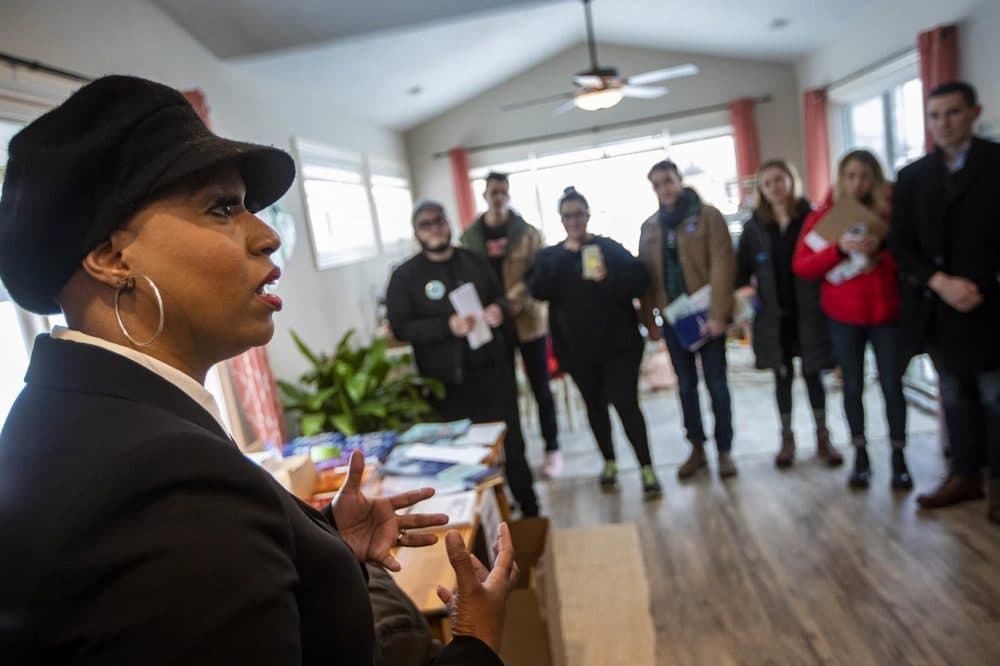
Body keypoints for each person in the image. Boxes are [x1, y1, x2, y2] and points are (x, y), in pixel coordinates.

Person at [0, 76, 515, 664]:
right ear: (112, 257)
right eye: (222, 207)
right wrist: (476, 639)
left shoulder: (92, 416)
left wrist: (320, 546)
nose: (268, 235)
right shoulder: (155, 484)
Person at [889, 81, 1000, 523]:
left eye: (952, 113)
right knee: (954, 396)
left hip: (991, 303)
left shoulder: (996, 163)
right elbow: (901, 242)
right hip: (938, 304)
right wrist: (938, 281)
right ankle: (965, 475)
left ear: (974, 112)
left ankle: (998, 482)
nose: (943, 123)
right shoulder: (913, 176)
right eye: (935, 116)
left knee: (995, 397)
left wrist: (981, 287)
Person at [387, 200, 539, 517]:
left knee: (511, 442)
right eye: (426, 224)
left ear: (449, 224)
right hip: (448, 383)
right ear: (416, 231)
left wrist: (498, 309)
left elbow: (501, 296)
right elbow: (400, 327)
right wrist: (446, 326)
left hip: (494, 370)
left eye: (439, 221)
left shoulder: (474, 260)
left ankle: (529, 508)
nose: (435, 228)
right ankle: (480, 519)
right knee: (465, 454)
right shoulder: (405, 276)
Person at [526, 187, 662, 498]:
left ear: (588, 216)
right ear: (561, 220)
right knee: (594, 407)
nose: (574, 221)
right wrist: (565, 257)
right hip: (576, 351)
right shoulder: (550, 257)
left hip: (620, 346)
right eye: (567, 216)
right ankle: (610, 462)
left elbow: (640, 280)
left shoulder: (609, 248)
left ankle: (646, 466)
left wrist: (607, 278)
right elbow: (537, 289)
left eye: (579, 214)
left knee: (626, 404)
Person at [792, 149, 912, 491]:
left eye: (865, 175)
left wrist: (882, 252)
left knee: (892, 386)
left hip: (886, 314)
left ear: (875, 178)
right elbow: (802, 266)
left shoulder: (891, 214)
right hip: (843, 317)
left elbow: (912, 258)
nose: (858, 182)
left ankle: (899, 456)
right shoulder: (824, 217)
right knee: (853, 387)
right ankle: (860, 455)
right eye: (851, 175)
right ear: (841, 178)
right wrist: (839, 250)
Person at [737, 159, 840, 468]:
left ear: (791, 180)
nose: (775, 188)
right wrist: (747, 294)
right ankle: (787, 438)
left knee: (813, 376)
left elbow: (830, 258)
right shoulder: (753, 228)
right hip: (773, 315)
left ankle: (823, 436)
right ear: (762, 190)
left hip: (810, 312)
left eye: (779, 180)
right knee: (782, 378)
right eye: (767, 183)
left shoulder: (813, 218)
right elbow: (741, 274)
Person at [638, 160, 738, 480]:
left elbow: (723, 266)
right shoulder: (651, 227)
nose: (664, 189)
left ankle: (724, 450)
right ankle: (696, 448)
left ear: (679, 180)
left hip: (708, 314)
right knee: (685, 388)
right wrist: (651, 321)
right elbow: (648, 277)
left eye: (667, 181)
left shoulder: (708, 216)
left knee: (717, 385)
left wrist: (719, 315)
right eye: (657, 185)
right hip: (673, 319)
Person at [461, 172, 562, 477]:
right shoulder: (470, 236)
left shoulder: (527, 232)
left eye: (503, 191)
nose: (499, 197)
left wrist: (515, 298)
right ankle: (513, 453)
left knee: (540, 388)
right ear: (485, 195)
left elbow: (539, 272)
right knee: (503, 392)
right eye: (493, 191)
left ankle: (552, 448)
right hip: (492, 325)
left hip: (528, 320)